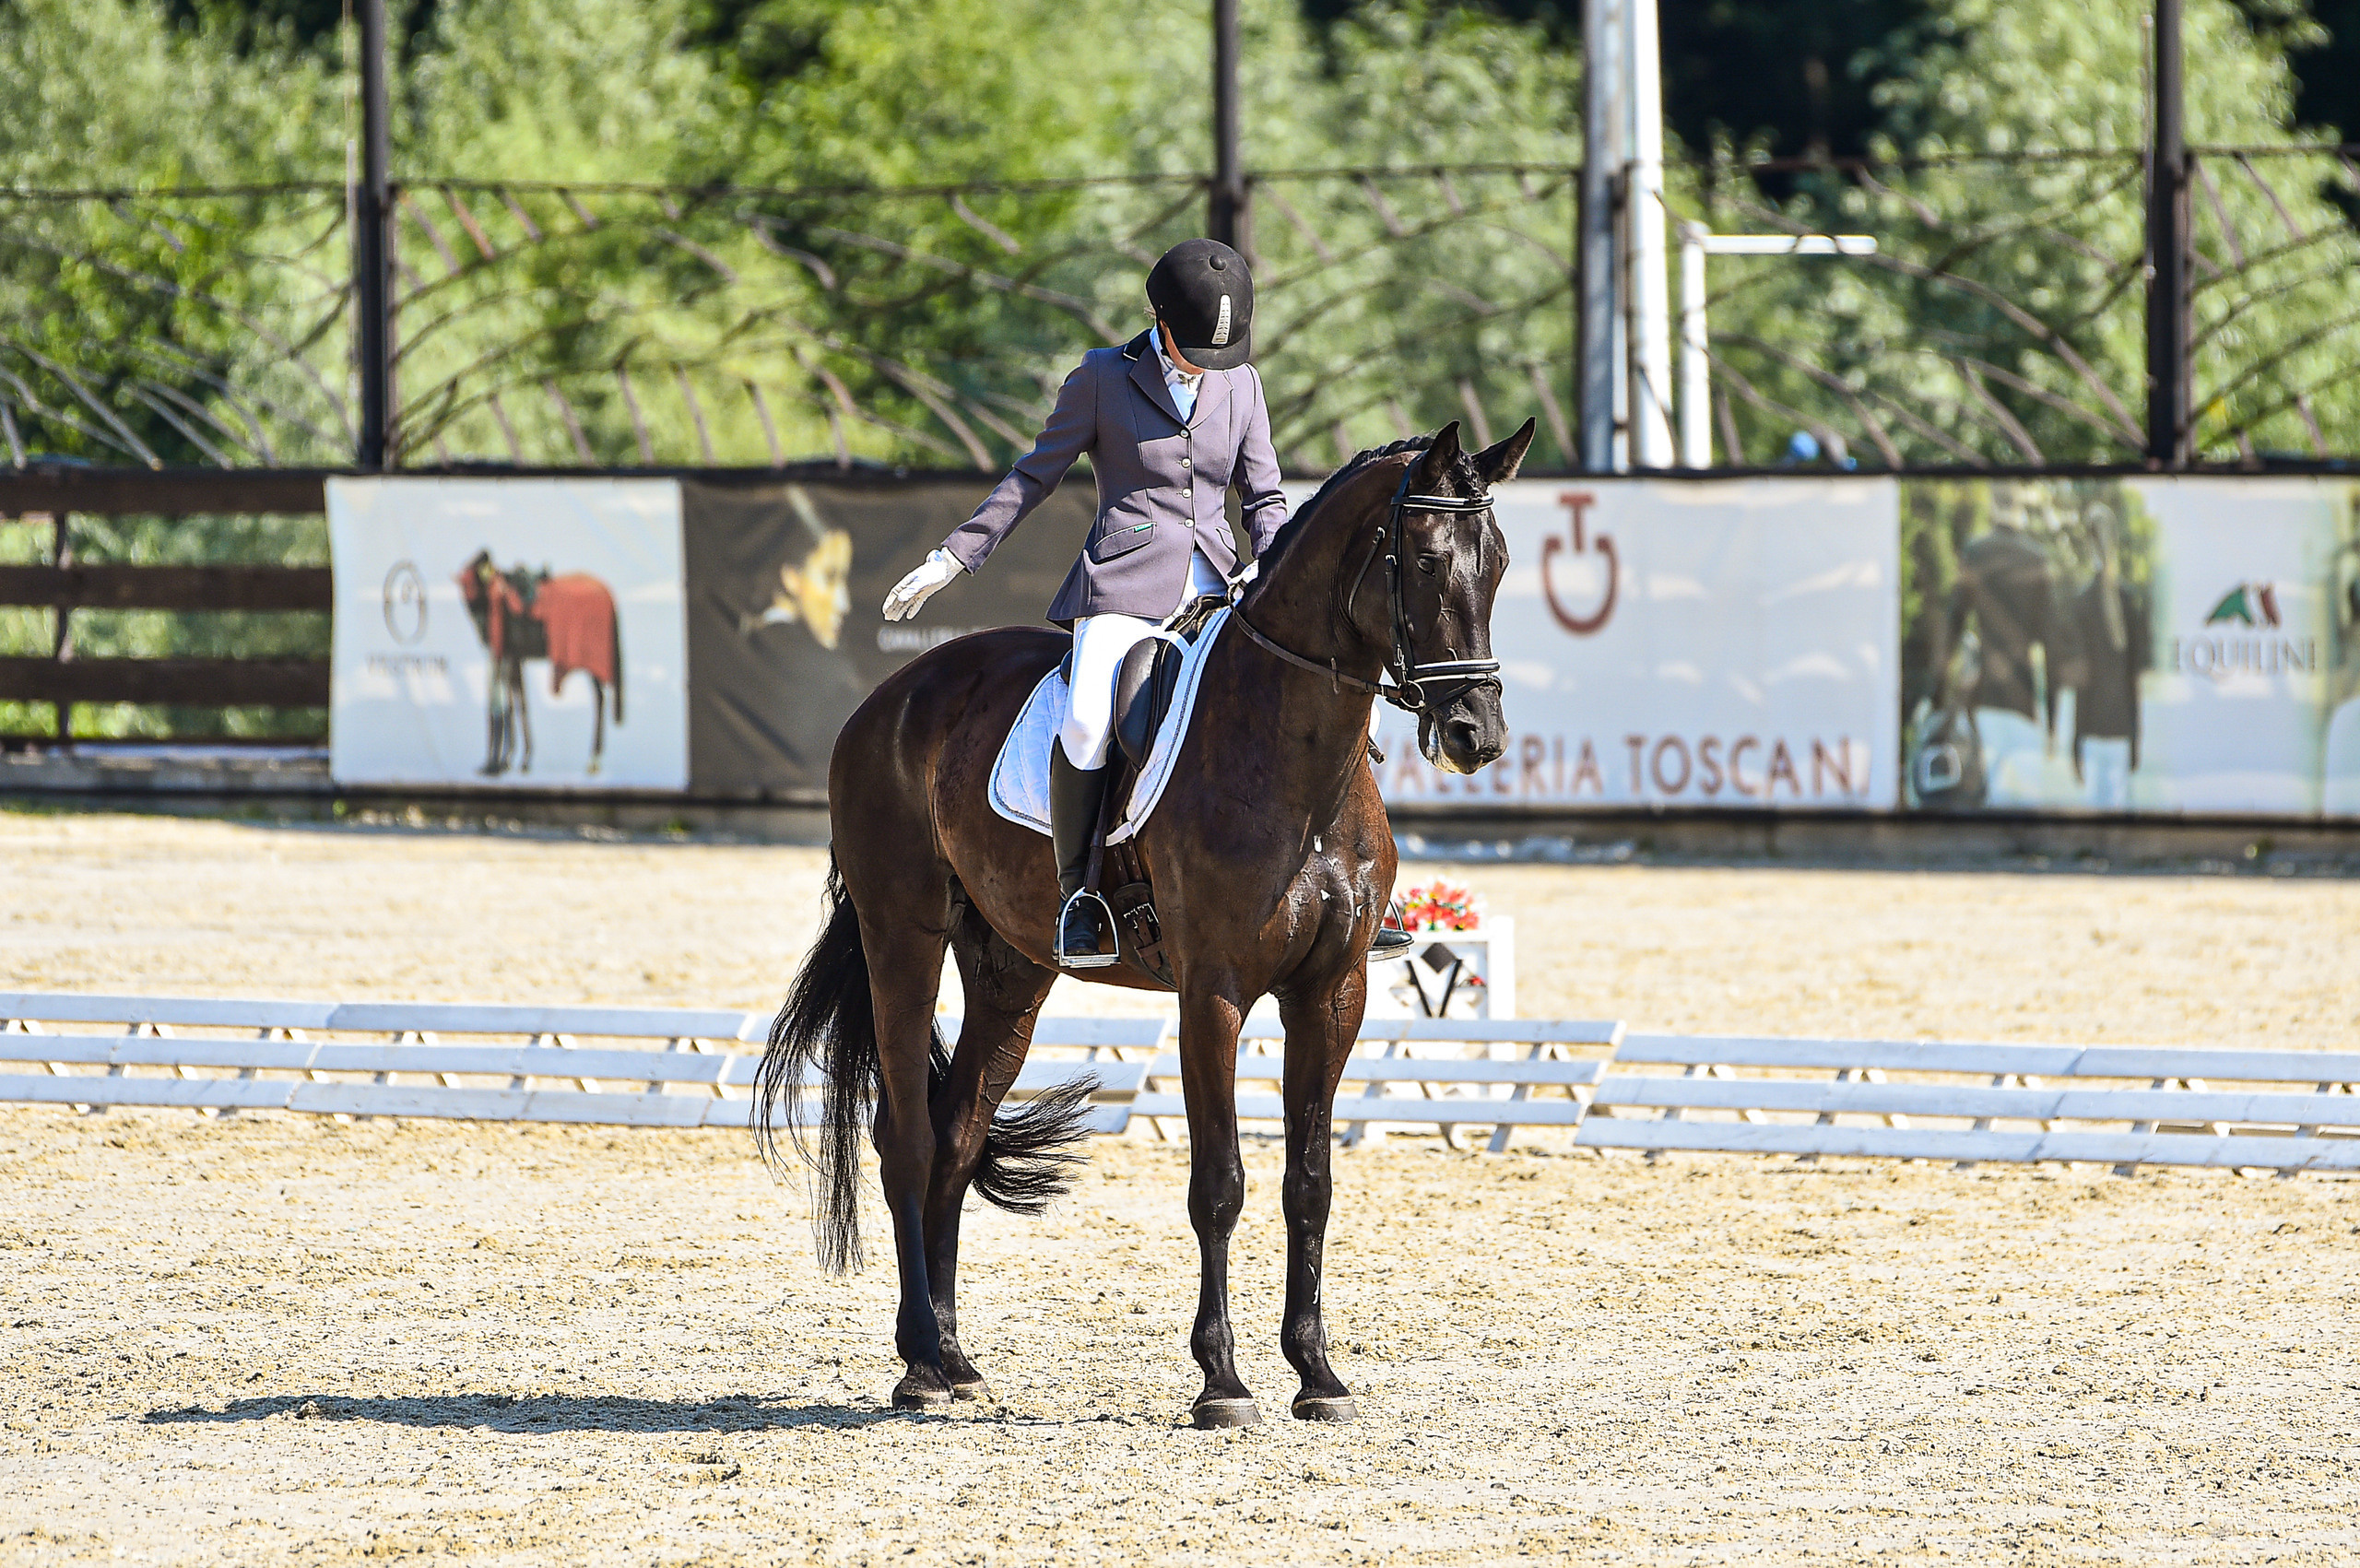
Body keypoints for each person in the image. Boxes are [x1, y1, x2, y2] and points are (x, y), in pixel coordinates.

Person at [880, 239, 1287, 967]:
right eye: (1194, 348)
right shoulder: (1103, 376)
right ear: (1155, 317)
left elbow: (1263, 496)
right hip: (1126, 583)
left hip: (1220, 586)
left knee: (1297, 697)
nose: (1206, 365)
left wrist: (1273, 565)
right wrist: (955, 555)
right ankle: (1079, 893)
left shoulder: (1244, 386)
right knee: (1089, 715)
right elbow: (1034, 474)